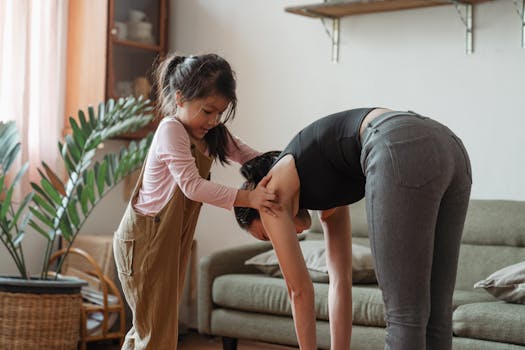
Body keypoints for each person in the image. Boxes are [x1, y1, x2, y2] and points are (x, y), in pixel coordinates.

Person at [234, 108, 472, 350]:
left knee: (405, 315)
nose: (280, 237)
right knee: (437, 314)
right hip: (449, 147)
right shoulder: (322, 182)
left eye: (267, 234)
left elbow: (299, 291)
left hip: (397, 142)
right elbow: (340, 280)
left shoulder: (269, 195)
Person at [113, 53, 278, 350]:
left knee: (150, 328)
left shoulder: (212, 133)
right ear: (180, 98)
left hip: (169, 238)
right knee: (155, 333)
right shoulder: (171, 130)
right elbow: (192, 186)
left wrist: (284, 164)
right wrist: (248, 198)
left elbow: (247, 155)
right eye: (207, 111)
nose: (213, 120)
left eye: (220, 113)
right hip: (145, 241)